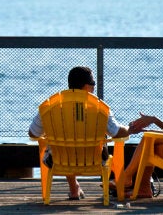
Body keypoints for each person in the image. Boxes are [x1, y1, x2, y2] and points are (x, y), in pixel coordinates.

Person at [29, 66, 132, 200]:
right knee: (95, 141)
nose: (94, 87)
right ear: (86, 86)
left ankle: (74, 187)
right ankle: (108, 189)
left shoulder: (49, 107)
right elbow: (117, 133)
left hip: (58, 161)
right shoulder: (100, 108)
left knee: (63, 143)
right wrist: (130, 128)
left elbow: (33, 134)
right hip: (95, 160)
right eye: (93, 84)